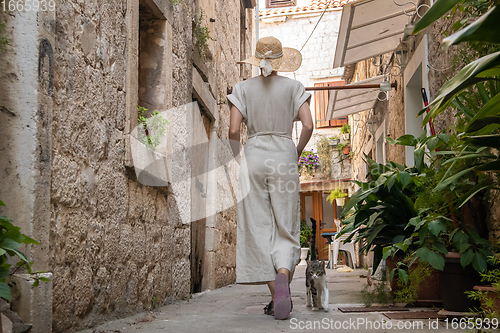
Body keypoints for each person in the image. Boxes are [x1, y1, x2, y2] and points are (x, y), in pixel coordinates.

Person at [227, 36, 313, 320]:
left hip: (253, 155)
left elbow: (232, 131)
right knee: (285, 225)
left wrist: (238, 157)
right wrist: (295, 151)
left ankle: (276, 293)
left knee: (258, 226)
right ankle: (284, 275)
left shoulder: (242, 89)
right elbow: (309, 125)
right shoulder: (293, 87)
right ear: (279, 60)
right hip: (284, 156)